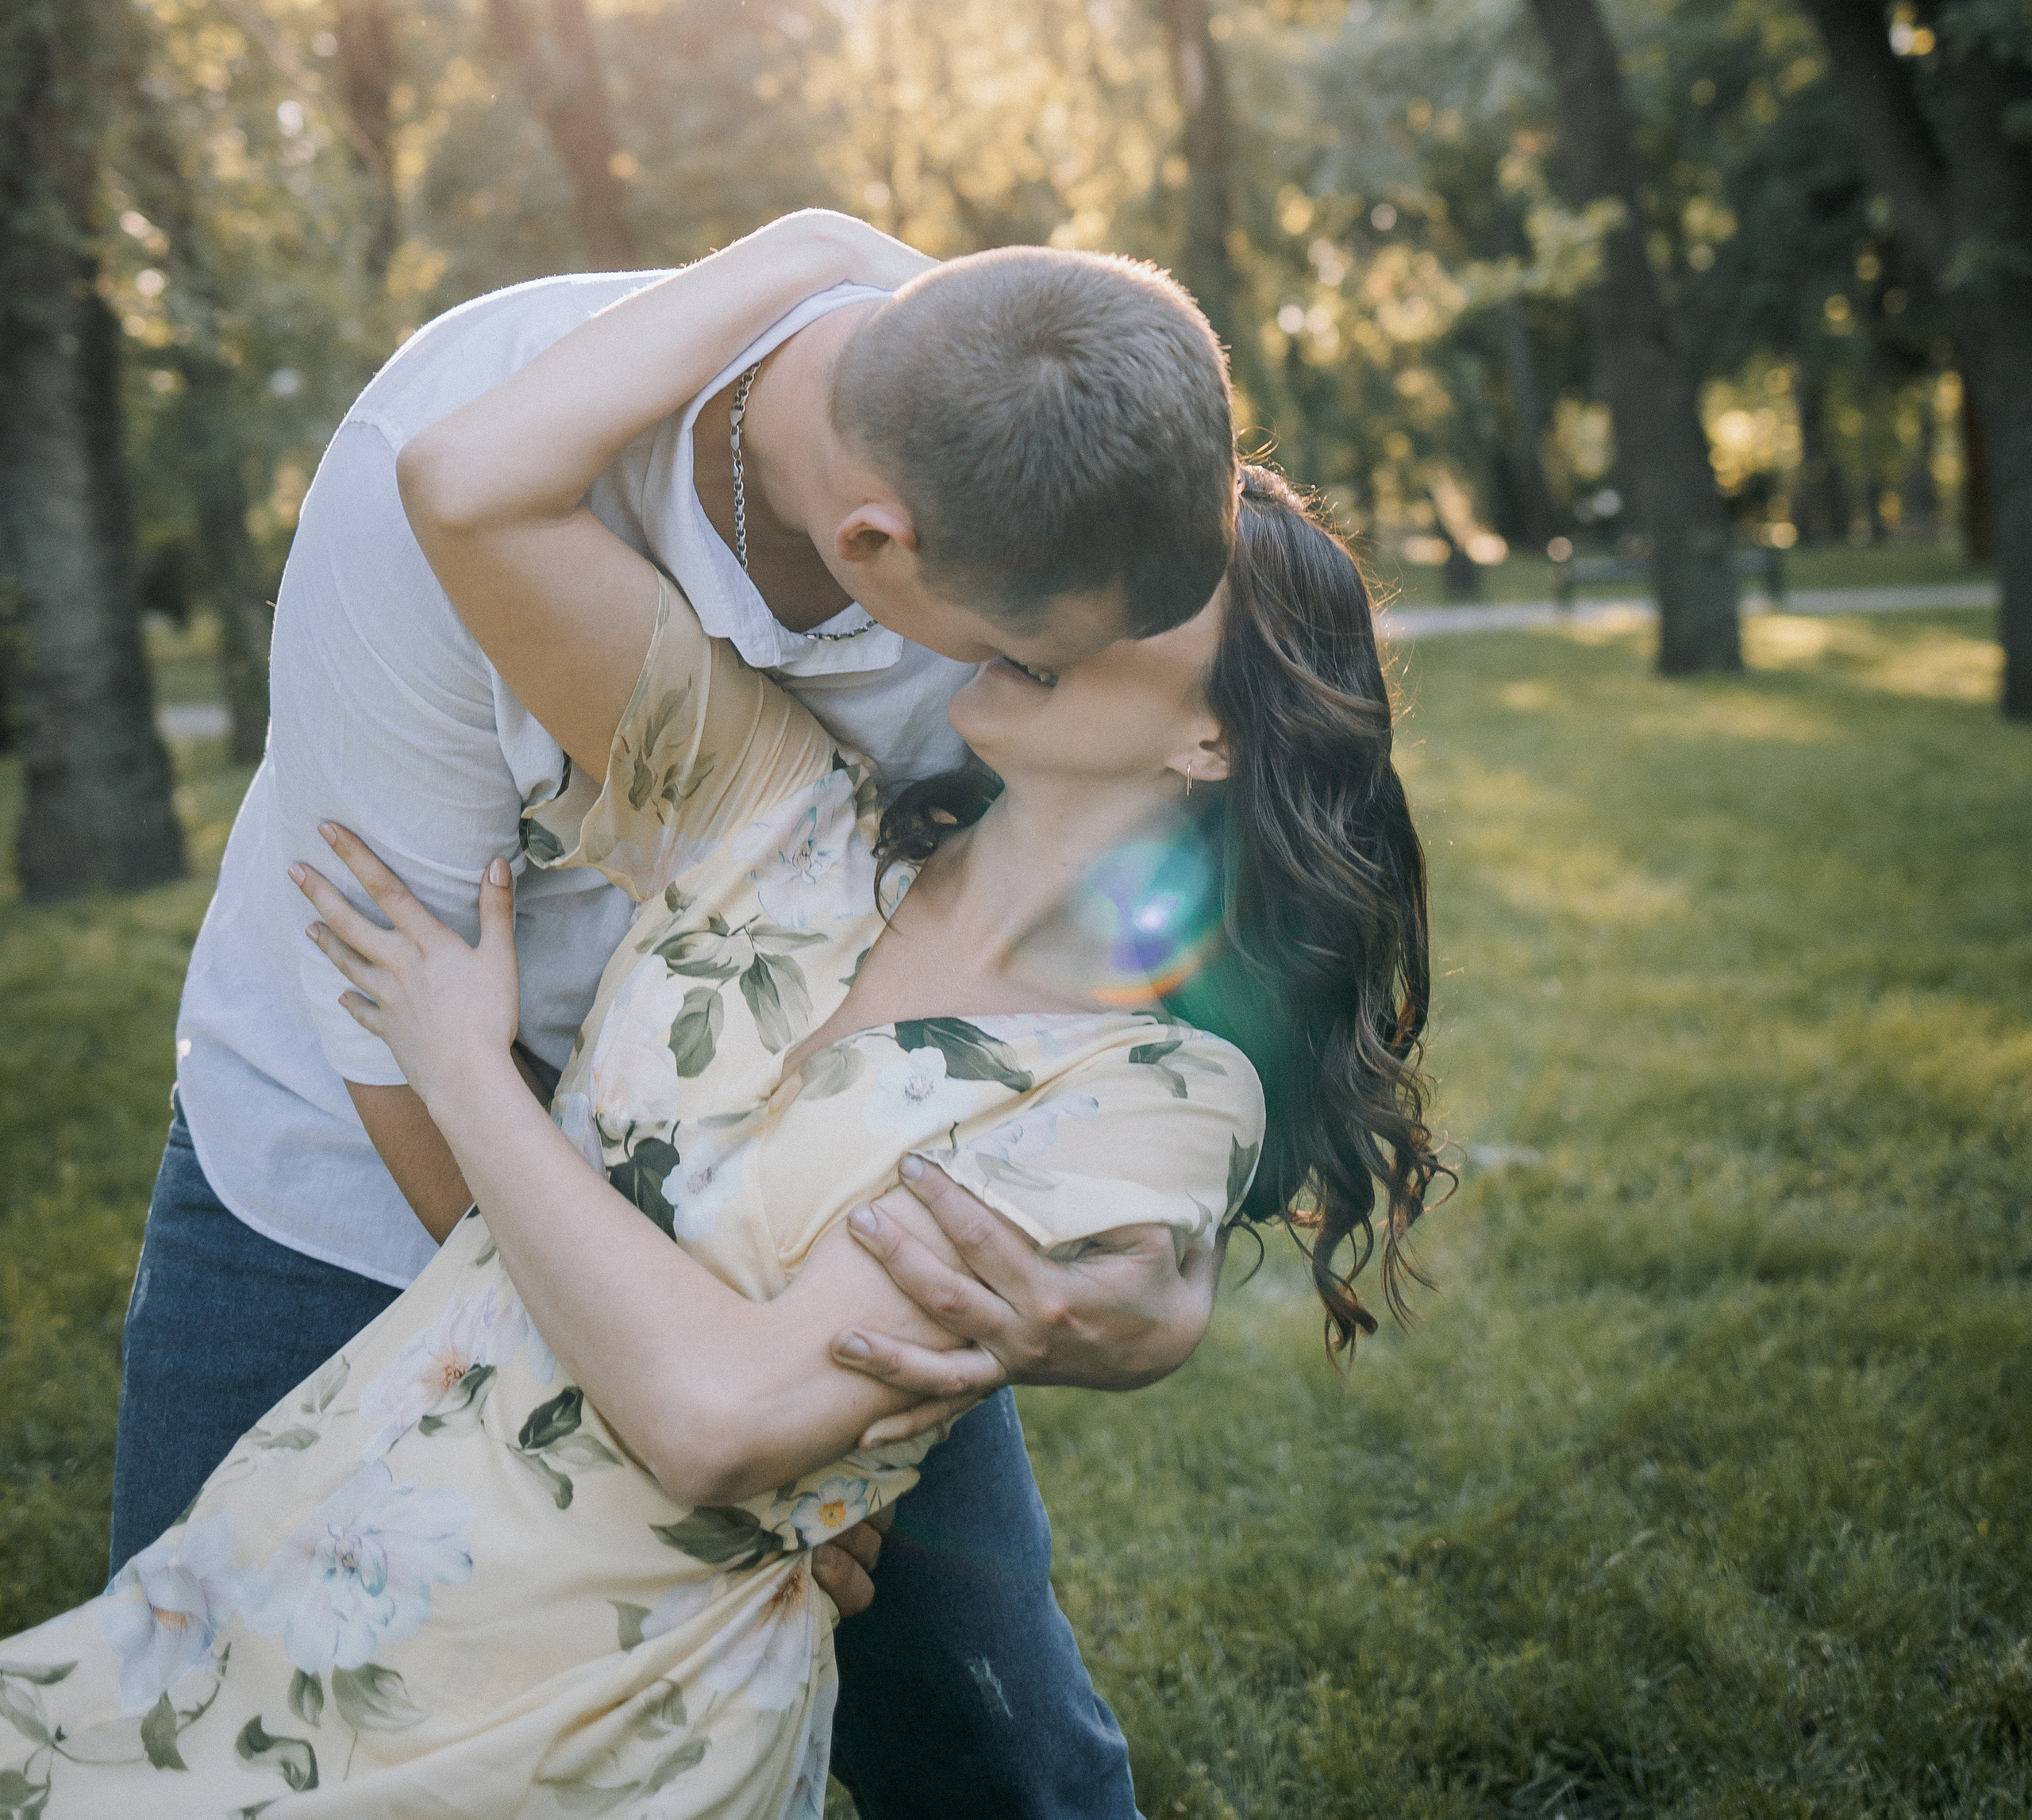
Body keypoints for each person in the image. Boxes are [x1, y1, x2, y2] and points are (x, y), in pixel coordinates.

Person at [0, 271, 1434, 1817]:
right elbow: (462, 487)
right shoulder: (789, 808)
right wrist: (807, 244)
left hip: (629, 1706)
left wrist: (467, 1066)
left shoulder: (1147, 1080)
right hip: (355, 1475)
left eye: (1166, 585)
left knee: (1011, 1765)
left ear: (1208, 732)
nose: (1096, 584)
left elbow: (722, 1420)